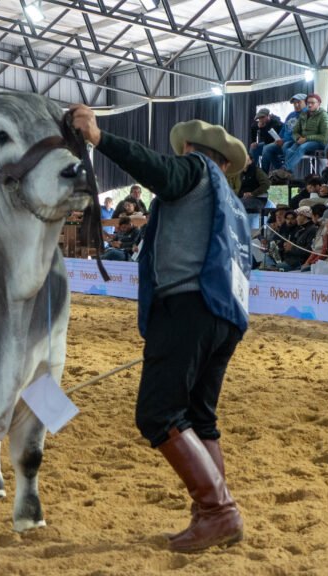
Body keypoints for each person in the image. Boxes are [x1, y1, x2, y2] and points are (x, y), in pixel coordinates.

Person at [71, 105, 249, 553]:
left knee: (158, 413)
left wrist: (99, 137)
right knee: (200, 417)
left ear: (193, 150)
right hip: (222, 313)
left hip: (187, 304)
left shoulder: (192, 170)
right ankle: (212, 512)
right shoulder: (229, 199)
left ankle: (217, 511)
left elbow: (159, 170)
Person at [284, 94, 328, 178]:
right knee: (289, 150)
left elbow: (324, 137)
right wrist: (298, 138)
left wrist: (306, 139)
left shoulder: (324, 116)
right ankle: (288, 176)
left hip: (319, 142)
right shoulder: (303, 115)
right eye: (308, 102)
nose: (309, 105)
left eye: (312, 102)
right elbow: (295, 131)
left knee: (302, 147)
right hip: (303, 140)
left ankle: (284, 169)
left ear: (319, 103)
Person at [264, 93, 306, 176]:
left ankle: (287, 174)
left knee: (286, 146)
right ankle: (269, 175)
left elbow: (301, 133)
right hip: (283, 141)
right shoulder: (291, 115)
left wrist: (284, 140)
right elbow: (284, 128)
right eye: (294, 103)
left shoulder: (307, 115)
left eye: (299, 102)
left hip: (294, 142)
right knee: (266, 149)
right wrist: (278, 138)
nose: (296, 105)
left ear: (305, 102)